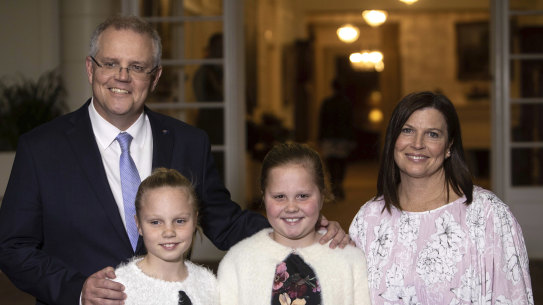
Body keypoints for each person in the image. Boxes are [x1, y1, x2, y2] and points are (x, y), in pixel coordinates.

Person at [0, 16, 348, 305]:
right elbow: (13, 246)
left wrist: (303, 231)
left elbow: (225, 223)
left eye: (137, 67)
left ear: (155, 77)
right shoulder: (41, 148)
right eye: (111, 64)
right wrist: (76, 289)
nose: (122, 77)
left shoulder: (188, 142)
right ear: (91, 69)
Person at [349, 91, 533, 304]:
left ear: (449, 147)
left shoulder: (488, 215)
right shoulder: (369, 218)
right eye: (407, 130)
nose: (417, 143)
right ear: (393, 140)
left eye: (433, 134)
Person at [218, 143, 371, 305]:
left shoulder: (351, 260)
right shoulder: (237, 261)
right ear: (264, 198)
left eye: (303, 196)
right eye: (279, 197)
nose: (291, 207)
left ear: (322, 196)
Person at [113, 168, 218, 304]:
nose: (169, 232)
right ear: (138, 225)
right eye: (155, 222)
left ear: (194, 221)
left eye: (180, 221)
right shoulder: (118, 289)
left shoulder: (209, 283)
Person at [318, 78, 355, 201]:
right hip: (343, 137)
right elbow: (350, 122)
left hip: (329, 137)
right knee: (341, 162)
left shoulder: (327, 103)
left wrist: (320, 137)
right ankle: (339, 184)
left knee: (331, 162)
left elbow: (322, 122)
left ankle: (335, 185)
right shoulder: (347, 103)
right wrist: (351, 138)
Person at [193, 32, 224, 145]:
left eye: (222, 47)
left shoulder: (227, 71)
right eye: (218, 47)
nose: (221, 51)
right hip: (209, 124)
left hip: (225, 124)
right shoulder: (204, 72)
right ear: (211, 49)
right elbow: (200, 97)